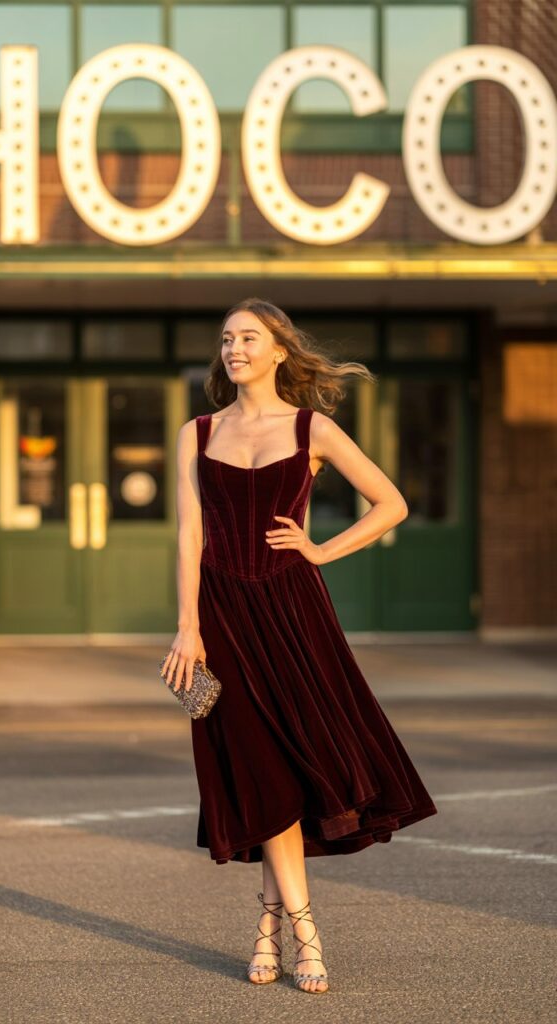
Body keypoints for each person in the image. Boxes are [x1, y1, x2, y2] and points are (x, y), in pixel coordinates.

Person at [160, 297, 438, 994]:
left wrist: (319, 551)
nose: (234, 348)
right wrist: (187, 625)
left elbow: (392, 504)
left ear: (280, 349)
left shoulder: (313, 427)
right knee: (259, 768)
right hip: (222, 616)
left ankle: (268, 925)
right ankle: (305, 933)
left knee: (293, 763)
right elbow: (189, 536)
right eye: (226, 338)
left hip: (293, 614)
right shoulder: (196, 432)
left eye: (248, 337)